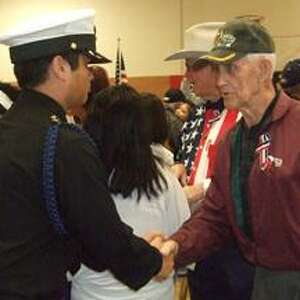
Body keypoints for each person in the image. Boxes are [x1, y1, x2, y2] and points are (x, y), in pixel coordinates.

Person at [0, 9, 171, 299]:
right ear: (60, 67)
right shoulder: (63, 141)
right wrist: (154, 261)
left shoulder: (9, 128)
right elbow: (101, 231)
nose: (90, 74)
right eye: (85, 63)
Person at [161, 19, 300, 300]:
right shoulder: (232, 142)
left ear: (263, 70)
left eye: (232, 68)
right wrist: (176, 246)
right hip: (251, 278)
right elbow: (216, 215)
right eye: (219, 69)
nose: (222, 80)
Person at [72, 85, 190, 300]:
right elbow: (181, 239)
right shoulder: (164, 180)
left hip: (90, 294)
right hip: (152, 291)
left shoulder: (79, 179)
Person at [165, 22, 253, 300]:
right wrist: (179, 168)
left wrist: (200, 188)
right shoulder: (197, 114)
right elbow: (189, 158)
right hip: (200, 238)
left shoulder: (245, 115)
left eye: (193, 66)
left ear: (218, 68)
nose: (187, 75)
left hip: (234, 244)